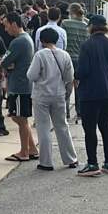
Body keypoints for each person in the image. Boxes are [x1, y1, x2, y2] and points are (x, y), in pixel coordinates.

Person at [76, 14, 108, 177]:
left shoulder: (87, 45)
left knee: (90, 128)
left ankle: (92, 163)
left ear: (91, 27)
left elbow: (83, 71)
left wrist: (75, 76)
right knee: (106, 125)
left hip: (91, 92)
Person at [27, 28, 78, 171]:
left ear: (42, 40)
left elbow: (31, 76)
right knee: (62, 126)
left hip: (41, 95)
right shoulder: (65, 55)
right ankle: (70, 159)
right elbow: (69, 78)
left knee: (43, 128)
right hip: (59, 94)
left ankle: (46, 162)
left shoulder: (40, 55)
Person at [1, 12, 38, 162]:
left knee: (20, 118)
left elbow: (4, 61)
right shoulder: (26, 39)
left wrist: (7, 64)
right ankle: (32, 149)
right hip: (23, 84)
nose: (5, 29)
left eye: (6, 25)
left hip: (20, 85)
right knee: (19, 117)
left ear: (14, 24)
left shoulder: (18, 42)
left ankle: (24, 152)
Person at [62, 3, 90, 123]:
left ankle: (66, 112)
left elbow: (62, 40)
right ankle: (80, 112)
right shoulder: (86, 26)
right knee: (79, 86)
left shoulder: (65, 24)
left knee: (66, 86)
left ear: (71, 12)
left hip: (68, 58)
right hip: (80, 59)